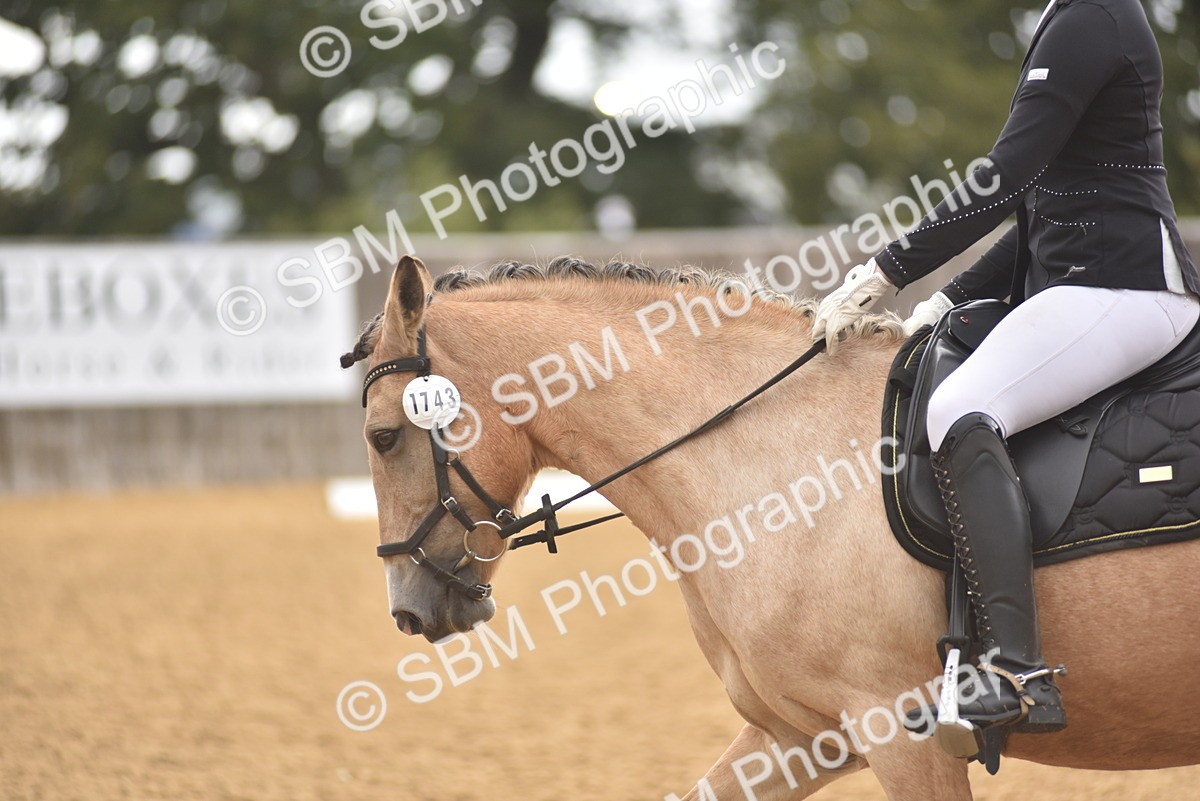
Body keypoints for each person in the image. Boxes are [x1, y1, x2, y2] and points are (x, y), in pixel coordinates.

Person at [812, 0, 1200, 736]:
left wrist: (887, 270)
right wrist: (952, 296)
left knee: (960, 407)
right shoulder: (1069, 16)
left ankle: (1015, 673)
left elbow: (1009, 173)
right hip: (1082, 283)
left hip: (1120, 284)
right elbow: (1043, 202)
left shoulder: (1095, 14)